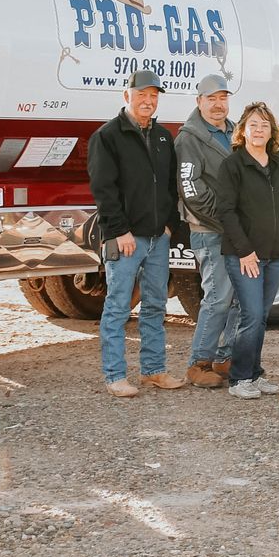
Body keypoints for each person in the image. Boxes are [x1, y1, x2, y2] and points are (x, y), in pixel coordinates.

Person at [86, 68, 188, 397]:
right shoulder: (108, 136)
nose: (148, 101)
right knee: (118, 306)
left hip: (159, 237)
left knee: (156, 305)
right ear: (126, 96)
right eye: (142, 94)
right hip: (126, 239)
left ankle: (154, 371)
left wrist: (170, 224)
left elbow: (171, 185)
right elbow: (104, 190)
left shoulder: (162, 137)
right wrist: (119, 231)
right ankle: (115, 375)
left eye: (153, 96)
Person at [216, 101, 279, 400]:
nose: (259, 130)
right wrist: (244, 252)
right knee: (250, 315)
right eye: (253, 124)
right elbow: (225, 211)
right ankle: (239, 379)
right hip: (244, 256)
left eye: (264, 125)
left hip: (276, 255)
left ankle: (254, 373)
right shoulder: (233, 165)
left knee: (261, 317)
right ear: (243, 130)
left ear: (272, 131)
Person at [176, 74, 239, 388]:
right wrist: (226, 217)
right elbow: (191, 188)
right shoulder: (190, 138)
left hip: (238, 230)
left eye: (223, 98)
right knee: (217, 296)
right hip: (210, 229)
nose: (218, 104)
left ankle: (224, 357)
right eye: (211, 98)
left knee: (241, 296)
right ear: (199, 101)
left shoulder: (235, 131)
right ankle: (198, 362)